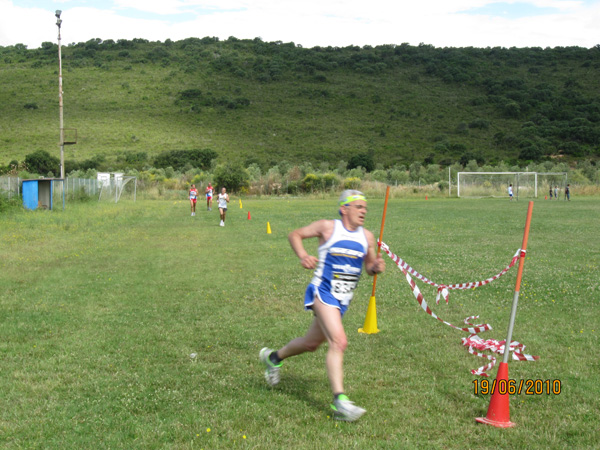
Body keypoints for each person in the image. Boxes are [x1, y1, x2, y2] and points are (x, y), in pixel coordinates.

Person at [259, 190, 386, 422]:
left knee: (310, 344)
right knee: (339, 341)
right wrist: (303, 255)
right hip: (322, 291)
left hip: (342, 301)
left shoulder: (367, 237)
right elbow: (295, 234)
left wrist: (375, 267)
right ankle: (340, 402)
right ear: (343, 209)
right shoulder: (328, 227)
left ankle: (273, 358)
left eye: (365, 207)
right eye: (358, 207)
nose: (364, 211)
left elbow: (369, 268)